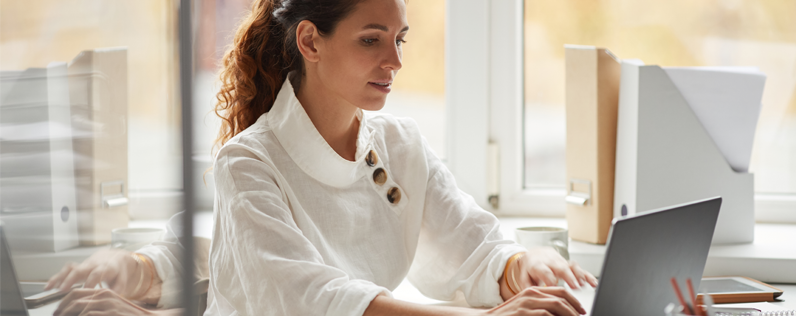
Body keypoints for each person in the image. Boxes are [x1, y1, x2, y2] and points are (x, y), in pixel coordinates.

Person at [46, 0, 597, 315]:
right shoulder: (247, 163)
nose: (395, 61)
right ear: (310, 41)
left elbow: (472, 247)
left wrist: (517, 267)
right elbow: (310, 299)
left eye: (400, 40)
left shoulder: (400, 143)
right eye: (371, 40)